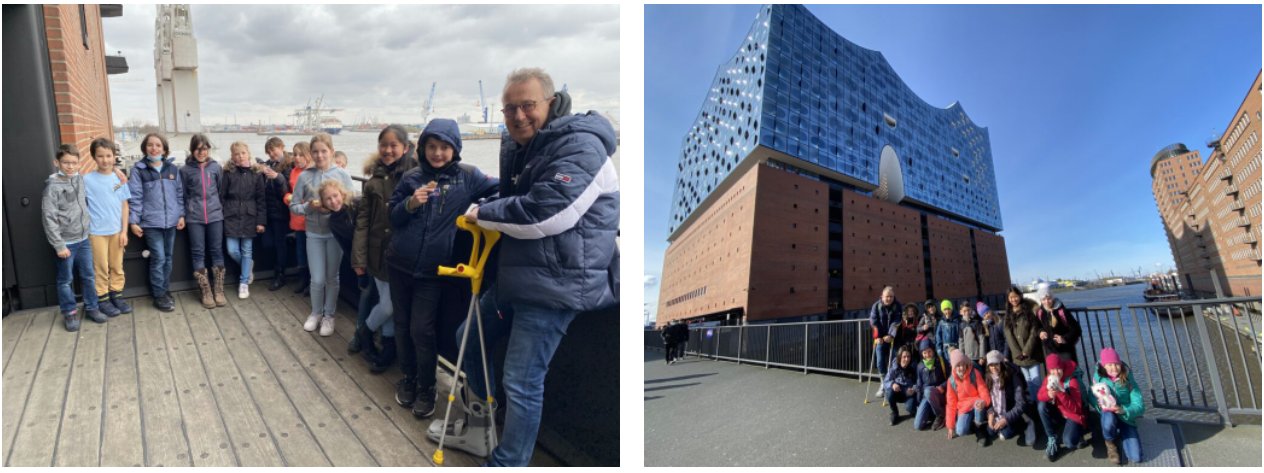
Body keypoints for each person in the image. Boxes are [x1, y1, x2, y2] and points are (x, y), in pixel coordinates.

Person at [452, 68, 618, 466]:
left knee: (523, 381)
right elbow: (524, 192)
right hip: (521, 275)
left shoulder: (580, 145)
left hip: (558, 283)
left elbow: (547, 213)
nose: (518, 115)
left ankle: (509, 460)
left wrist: (482, 212)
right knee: (467, 336)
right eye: (510, 108)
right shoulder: (526, 145)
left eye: (528, 105)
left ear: (552, 102)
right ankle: (482, 423)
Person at [387, 118, 498, 418]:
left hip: (433, 272)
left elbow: (502, 189)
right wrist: (410, 203)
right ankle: (407, 377)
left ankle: (427, 386)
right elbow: (393, 216)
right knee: (401, 325)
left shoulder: (468, 176)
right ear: (422, 148)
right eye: (432, 147)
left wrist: (483, 209)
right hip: (399, 264)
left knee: (421, 330)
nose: (437, 153)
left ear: (455, 149)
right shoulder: (411, 176)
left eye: (444, 147)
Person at [352, 125, 419, 372]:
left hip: (405, 253)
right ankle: (365, 332)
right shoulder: (373, 184)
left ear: (406, 147)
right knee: (390, 304)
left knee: (396, 304)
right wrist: (358, 258)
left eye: (394, 145)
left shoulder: (416, 177)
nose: (388, 150)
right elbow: (362, 222)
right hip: (379, 253)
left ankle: (388, 346)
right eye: (384, 145)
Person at [289, 133, 354, 336]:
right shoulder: (304, 176)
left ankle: (329, 316)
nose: (319, 155)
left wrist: (335, 208)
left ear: (332, 152)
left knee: (332, 277)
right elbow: (294, 206)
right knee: (316, 279)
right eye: (315, 151)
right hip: (314, 234)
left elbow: (351, 204)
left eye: (323, 151)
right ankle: (316, 313)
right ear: (311, 153)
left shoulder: (342, 175)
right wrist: (310, 206)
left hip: (335, 234)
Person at [43, 144, 104, 330]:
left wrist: (118, 172)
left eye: (74, 163)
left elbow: (102, 174)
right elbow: (49, 218)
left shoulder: (80, 180)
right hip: (66, 242)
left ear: (79, 164)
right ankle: (69, 312)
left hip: (84, 238)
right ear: (57, 162)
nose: (70, 166)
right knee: (65, 279)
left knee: (88, 276)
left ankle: (92, 307)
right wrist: (59, 245)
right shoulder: (52, 188)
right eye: (66, 163)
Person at [129, 133, 185, 312]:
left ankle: (164, 289)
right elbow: (136, 197)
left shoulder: (172, 169)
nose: (154, 148)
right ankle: (158, 294)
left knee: (168, 257)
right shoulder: (138, 169)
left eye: (158, 145)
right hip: (151, 223)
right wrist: (133, 221)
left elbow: (179, 195)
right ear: (145, 148)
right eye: (150, 145)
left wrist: (181, 215)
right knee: (159, 258)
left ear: (164, 149)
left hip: (171, 222)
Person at [83, 138, 133, 318]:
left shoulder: (119, 179)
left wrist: (124, 231)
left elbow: (125, 206)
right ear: (93, 157)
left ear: (114, 156)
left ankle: (117, 295)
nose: (105, 160)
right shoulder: (86, 180)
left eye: (109, 156)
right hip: (96, 232)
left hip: (116, 231)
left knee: (117, 266)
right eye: (100, 156)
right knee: (101, 267)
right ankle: (102, 299)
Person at [180, 133, 227, 308]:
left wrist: (218, 208)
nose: (201, 152)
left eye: (204, 149)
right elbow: (183, 195)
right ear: (192, 150)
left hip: (215, 216)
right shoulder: (185, 171)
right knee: (198, 253)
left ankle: (219, 290)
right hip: (195, 218)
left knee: (217, 251)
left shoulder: (216, 168)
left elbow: (221, 191)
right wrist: (186, 213)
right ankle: (205, 292)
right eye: (198, 149)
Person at [222, 142, 267, 299]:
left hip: (249, 215)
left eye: (242, 153)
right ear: (232, 156)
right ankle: (248, 267)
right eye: (236, 154)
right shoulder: (228, 173)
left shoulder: (256, 174)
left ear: (248, 153)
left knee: (247, 250)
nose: (240, 156)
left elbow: (261, 199)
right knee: (232, 250)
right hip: (231, 215)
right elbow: (222, 196)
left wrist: (261, 221)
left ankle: (244, 283)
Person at [1092, 347, 1144, 465]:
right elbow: (1092, 395)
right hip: (1108, 412)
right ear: (1104, 366)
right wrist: (1098, 404)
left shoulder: (1128, 379)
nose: (1114, 368)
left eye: (1116, 364)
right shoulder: (1098, 377)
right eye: (1109, 365)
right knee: (1108, 420)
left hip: (1125, 416)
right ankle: (1110, 443)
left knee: (1136, 457)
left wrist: (1124, 410)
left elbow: (1139, 406)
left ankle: (1121, 430)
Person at [257, 137, 292, 292]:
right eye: (269, 151)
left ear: (282, 147)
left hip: (280, 212)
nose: (271, 153)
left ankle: (280, 275)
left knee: (279, 243)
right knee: (267, 243)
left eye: (273, 150)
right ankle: (277, 268)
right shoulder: (270, 164)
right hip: (268, 211)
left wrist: (277, 178)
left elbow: (287, 191)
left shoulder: (288, 165)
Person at [1037, 353, 1086, 462]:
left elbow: (1076, 409)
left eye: (1058, 369)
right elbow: (1039, 396)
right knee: (1041, 406)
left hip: (1072, 415)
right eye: (1052, 370)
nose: (1055, 372)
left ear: (1062, 367)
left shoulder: (1072, 381)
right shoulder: (1049, 378)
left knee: (1069, 443)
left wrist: (1060, 393)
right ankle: (1052, 438)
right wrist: (1048, 395)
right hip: (1060, 412)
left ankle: (1078, 434)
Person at [1004, 286, 1044, 400]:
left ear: (1020, 296)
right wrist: (1017, 352)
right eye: (1011, 297)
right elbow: (1009, 335)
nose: (1014, 299)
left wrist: (1026, 350)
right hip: (1019, 356)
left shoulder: (1029, 310)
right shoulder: (1008, 314)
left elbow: (1034, 330)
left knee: (1036, 380)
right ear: (1008, 299)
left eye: (1015, 296)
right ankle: (1034, 403)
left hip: (1031, 353)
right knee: (1028, 382)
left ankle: (1041, 405)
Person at [945, 348, 991, 444]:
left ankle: (979, 428)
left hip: (976, 402)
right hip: (963, 407)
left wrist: (985, 401)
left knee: (979, 407)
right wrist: (950, 425)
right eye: (958, 366)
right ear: (953, 367)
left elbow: (983, 389)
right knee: (960, 431)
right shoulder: (951, 381)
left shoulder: (974, 373)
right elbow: (951, 403)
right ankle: (972, 424)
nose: (961, 368)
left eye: (963, 364)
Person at [284, 142, 312, 295]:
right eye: (294, 154)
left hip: (310, 216)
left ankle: (312, 281)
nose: (296, 157)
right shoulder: (294, 171)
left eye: (300, 154)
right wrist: (287, 197)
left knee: (312, 251)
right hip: (296, 215)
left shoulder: (312, 171)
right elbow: (290, 192)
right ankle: (303, 278)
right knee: (300, 248)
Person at [983, 350, 1028, 446]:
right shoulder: (988, 378)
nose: (993, 368)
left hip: (1010, 411)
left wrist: (1006, 419)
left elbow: (1021, 404)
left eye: (996, 364)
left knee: (1006, 434)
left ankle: (1025, 423)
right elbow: (989, 400)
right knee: (991, 431)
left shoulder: (1012, 377)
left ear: (1001, 364)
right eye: (991, 365)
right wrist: (990, 414)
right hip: (997, 413)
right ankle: (1002, 426)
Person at [868, 286, 902, 395]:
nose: (889, 299)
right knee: (879, 360)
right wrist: (878, 336)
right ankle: (883, 382)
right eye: (887, 296)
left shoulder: (897, 306)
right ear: (882, 296)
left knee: (895, 360)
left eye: (891, 296)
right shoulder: (876, 306)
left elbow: (897, 321)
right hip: (881, 338)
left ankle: (892, 381)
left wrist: (891, 335)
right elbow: (874, 321)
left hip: (893, 338)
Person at [1035, 285, 1082, 363]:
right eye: (1044, 299)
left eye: (1049, 298)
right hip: (1050, 349)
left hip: (1065, 349)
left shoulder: (1062, 312)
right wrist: (1040, 332)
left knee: (1070, 372)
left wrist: (1064, 339)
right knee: (1055, 373)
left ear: (1052, 298)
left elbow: (1076, 329)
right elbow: (1037, 327)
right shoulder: (1040, 312)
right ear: (1040, 300)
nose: (1047, 302)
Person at [912, 338, 947, 431]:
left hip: (940, 393)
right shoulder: (920, 366)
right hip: (926, 396)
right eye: (924, 353)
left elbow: (951, 378)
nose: (927, 355)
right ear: (921, 354)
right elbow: (919, 384)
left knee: (928, 390)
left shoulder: (941, 361)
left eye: (929, 351)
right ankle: (932, 412)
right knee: (917, 425)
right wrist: (919, 402)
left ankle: (940, 415)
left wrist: (943, 386)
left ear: (933, 350)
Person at [883, 345, 920, 426]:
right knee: (889, 392)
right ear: (900, 357)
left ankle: (913, 410)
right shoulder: (894, 367)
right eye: (904, 357)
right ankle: (894, 413)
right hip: (898, 392)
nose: (906, 359)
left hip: (908, 393)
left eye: (908, 357)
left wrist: (914, 389)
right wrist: (893, 384)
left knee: (910, 408)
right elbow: (885, 381)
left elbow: (919, 382)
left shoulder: (914, 367)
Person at [959, 301, 988, 367]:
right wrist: (962, 357)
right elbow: (961, 342)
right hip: (967, 358)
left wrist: (982, 356)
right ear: (960, 312)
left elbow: (982, 339)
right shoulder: (961, 325)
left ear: (971, 310)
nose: (967, 313)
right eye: (964, 311)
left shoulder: (977, 323)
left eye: (968, 310)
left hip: (977, 357)